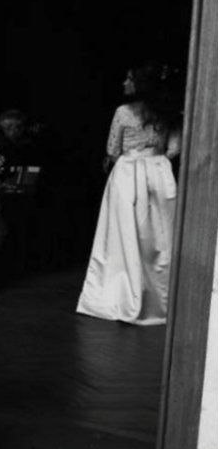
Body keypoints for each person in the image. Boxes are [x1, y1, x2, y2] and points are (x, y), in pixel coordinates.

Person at [76, 63, 182, 325]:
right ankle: (161, 300)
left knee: (123, 236)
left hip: (128, 173)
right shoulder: (169, 112)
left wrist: (130, 156)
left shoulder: (123, 112)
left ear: (140, 83)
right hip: (159, 172)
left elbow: (112, 148)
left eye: (129, 78)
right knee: (158, 236)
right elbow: (174, 149)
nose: (124, 82)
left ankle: (124, 295)